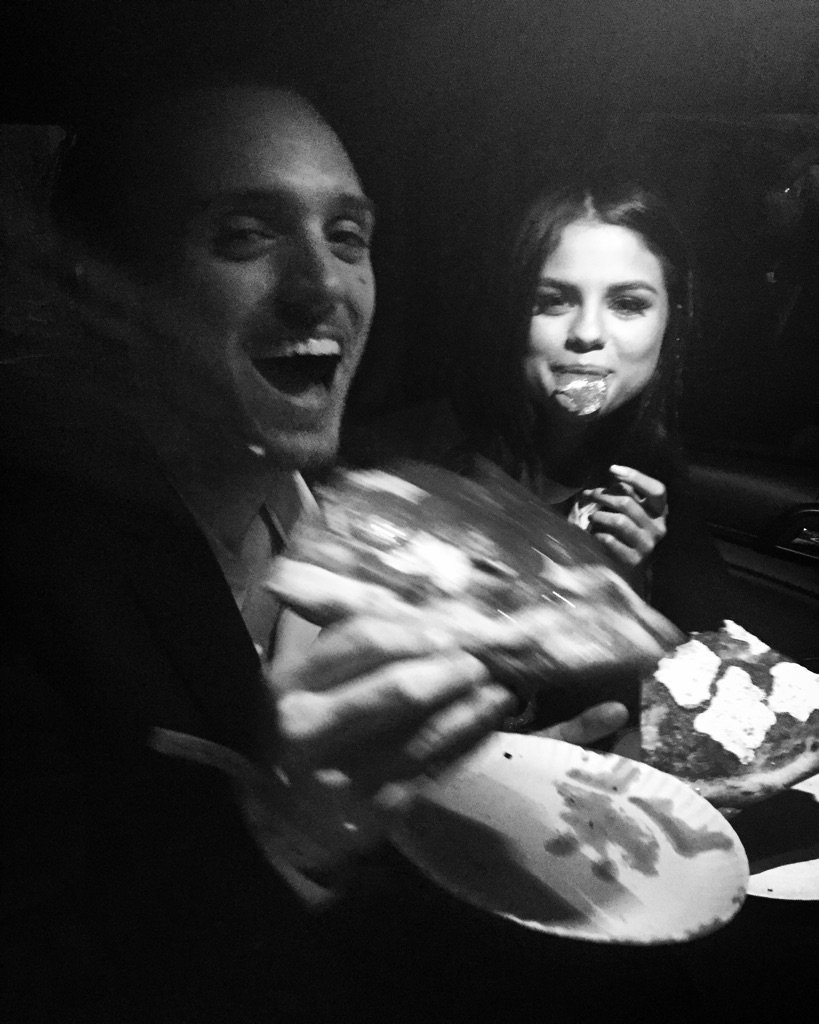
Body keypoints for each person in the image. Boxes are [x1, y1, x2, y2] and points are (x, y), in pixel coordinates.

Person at [1, 80, 636, 1023]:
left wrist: (457, 797)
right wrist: (281, 837)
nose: (322, 285)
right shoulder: (36, 573)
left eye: (347, 237)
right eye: (244, 236)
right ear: (105, 287)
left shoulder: (366, 521)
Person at [451, 181, 733, 637]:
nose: (586, 333)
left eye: (627, 304)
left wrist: (629, 581)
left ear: (670, 324)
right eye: (552, 302)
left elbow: (700, 648)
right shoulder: (426, 456)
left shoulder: (658, 483)